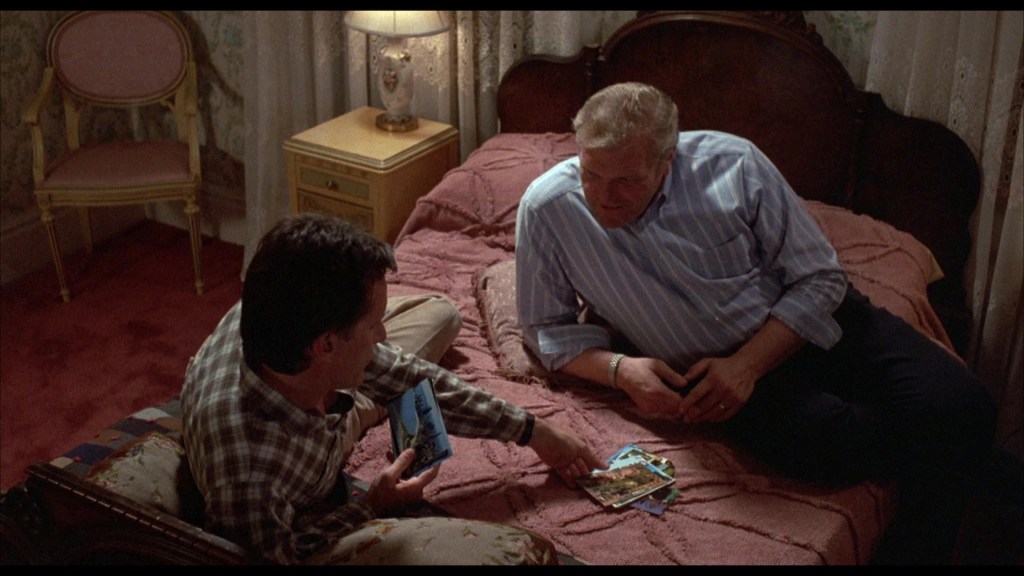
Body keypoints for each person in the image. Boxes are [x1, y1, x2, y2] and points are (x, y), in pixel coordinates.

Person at [514, 82, 999, 564]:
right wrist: (621, 370)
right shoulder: (546, 208)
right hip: (714, 371)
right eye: (591, 174)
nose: (602, 198)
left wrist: (746, 365)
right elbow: (544, 328)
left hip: (807, 321)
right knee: (831, 443)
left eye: (626, 181)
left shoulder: (735, 165)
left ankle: (963, 475)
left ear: (668, 160)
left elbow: (820, 278)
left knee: (965, 403)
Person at [181, 213, 602, 564]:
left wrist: (534, 431)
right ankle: (368, 406)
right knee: (396, 366)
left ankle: (368, 394)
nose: (384, 334)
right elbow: (285, 554)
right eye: (373, 324)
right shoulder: (250, 481)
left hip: (320, 386)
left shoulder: (281, 321)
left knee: (441, 313)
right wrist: (369, 507)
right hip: (315, 418)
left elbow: (409, 376)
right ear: (325, 344)